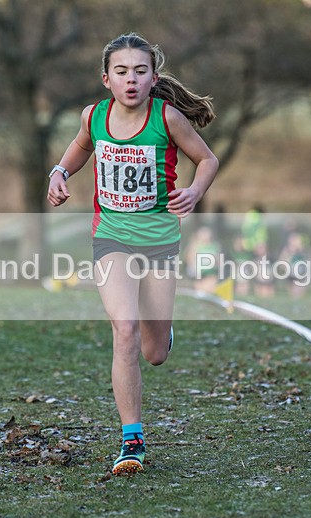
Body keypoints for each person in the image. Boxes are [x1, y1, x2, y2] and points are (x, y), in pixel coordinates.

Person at [46, 33, 219, 475]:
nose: (131, 80)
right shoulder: (94, 116)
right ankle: (132, 440)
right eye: (121, 72)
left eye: (140, 72)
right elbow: (82, 146)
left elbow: (207, 160)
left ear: (153, 77)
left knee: (154, 352)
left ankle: (162, 332)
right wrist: (61, 170)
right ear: (106, 78)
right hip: (112, 238)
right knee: (124, 331)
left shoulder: (168, 118)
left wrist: (195, 191)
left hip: (160, 239)